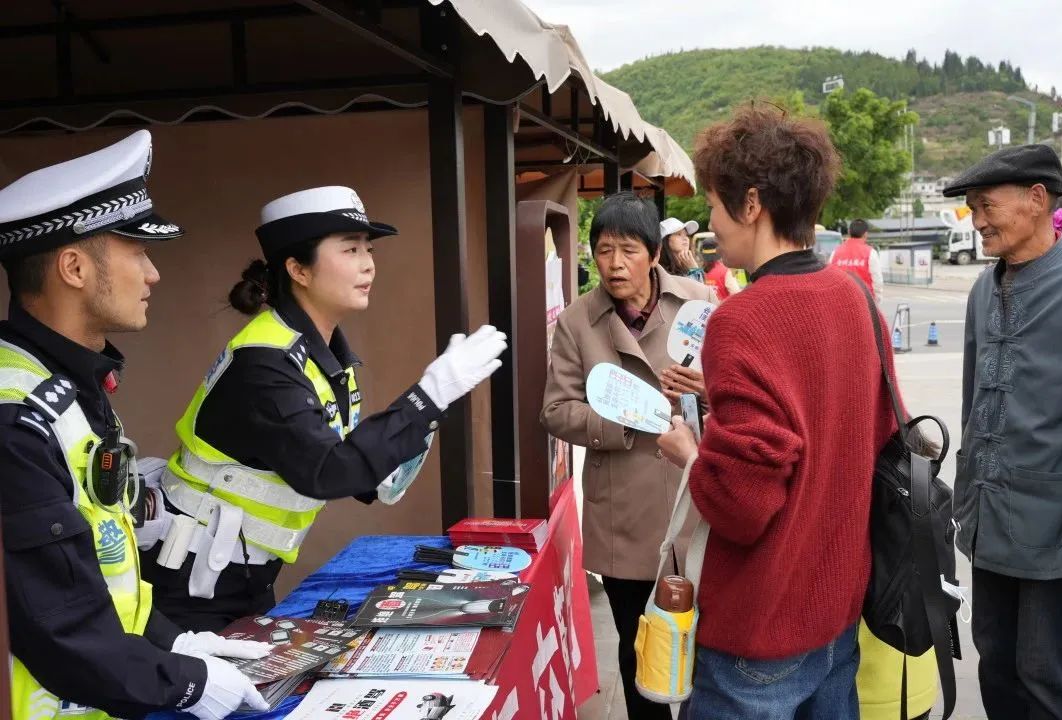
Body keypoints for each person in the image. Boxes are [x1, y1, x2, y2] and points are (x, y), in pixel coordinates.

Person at [137, 185, 507, 632]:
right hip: (189, 584)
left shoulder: (322, 356)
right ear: (298, 269)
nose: (368, 262)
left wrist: (427, 409)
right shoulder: (266, 362)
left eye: (368, 249)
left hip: (238, 573)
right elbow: (330, 471)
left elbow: (364, 478)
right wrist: (429, 395)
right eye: (350, 249)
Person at [0, 131, 270, 720]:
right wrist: (185, 681)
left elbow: (102, 567)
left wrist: (172, 640)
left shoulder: (73, 389)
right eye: (137, 253)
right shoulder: (14, 418)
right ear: (73, 266)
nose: (153, 275)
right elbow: (56, 624)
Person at [656, 105, 901, 719]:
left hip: (758, 635)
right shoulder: (856, 300)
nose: (710, 223)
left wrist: (691, 453)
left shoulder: (743, 320)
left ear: (752, 203)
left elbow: (742, 508)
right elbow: (865, 430)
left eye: (714, 203)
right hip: (839, 616)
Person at [541, 192, 714, 720]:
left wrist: (707, 390)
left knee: (709, 648)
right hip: (624, 511)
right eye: (603, 250)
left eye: (628, 250)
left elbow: (741, 388)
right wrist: (626, 417)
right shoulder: (578, 322)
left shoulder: (699, 305)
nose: (614, 264)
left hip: (697, 495)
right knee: (640, 644)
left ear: (656, 254)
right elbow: (555, 410)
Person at [944, 144, 1062, 719]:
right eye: (971, 209)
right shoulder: (982, 289)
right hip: (989, 524)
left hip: (1057, 532)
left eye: (985, 207)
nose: (977, 222)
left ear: (1036, 199)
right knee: (994, 661)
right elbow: (974, 404)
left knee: (1047, 675)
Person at [829, 218, 883, 303]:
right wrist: (876, 302)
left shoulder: (835, 253)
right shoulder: (871, 253)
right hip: (864, 302)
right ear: (865, 234)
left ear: (849, 232)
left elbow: (830, 279)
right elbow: (877, 282)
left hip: (839, 302)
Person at [659, 216, 705, 282]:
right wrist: (694, 270)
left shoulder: (689, 265)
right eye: (678, 234)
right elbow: (693, 291)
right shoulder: (662, 271)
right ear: (666, 240)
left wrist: (694, 269)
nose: (685, 238)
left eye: (686, 235)